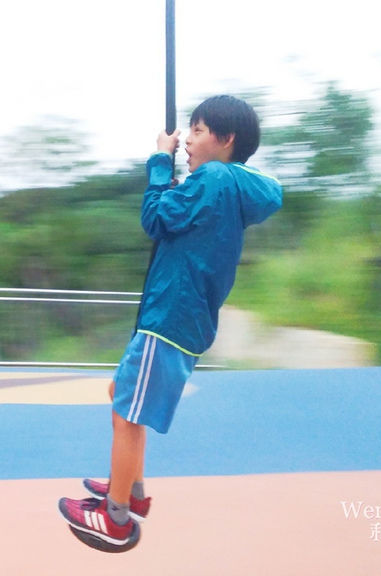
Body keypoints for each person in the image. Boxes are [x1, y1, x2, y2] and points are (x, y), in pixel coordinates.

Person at [58, 95, 282, 552]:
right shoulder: (227, 185)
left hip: (170, 316)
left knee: (126, 413)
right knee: (121, 396)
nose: (188, 142)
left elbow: (155, 218)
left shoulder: (215, 177)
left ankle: (115, 518)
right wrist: (181, 180)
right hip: (176, 317)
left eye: (197, 132)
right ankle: (130, 491)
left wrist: (160, 162)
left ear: (227, 139)